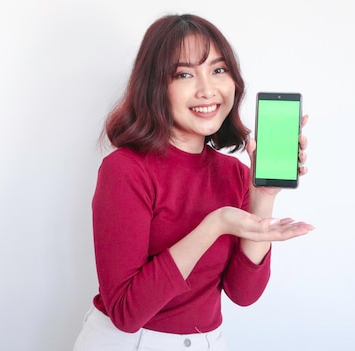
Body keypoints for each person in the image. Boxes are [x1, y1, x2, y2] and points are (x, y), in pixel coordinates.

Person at [73, 13, 314, 351]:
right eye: (185, 74)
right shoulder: (125, 170)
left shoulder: (233, 173)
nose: (207, 90)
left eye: (218, 70)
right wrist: (214, 225)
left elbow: (244, 294)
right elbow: (127, 313)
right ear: (156, 86)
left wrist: (263, 198)